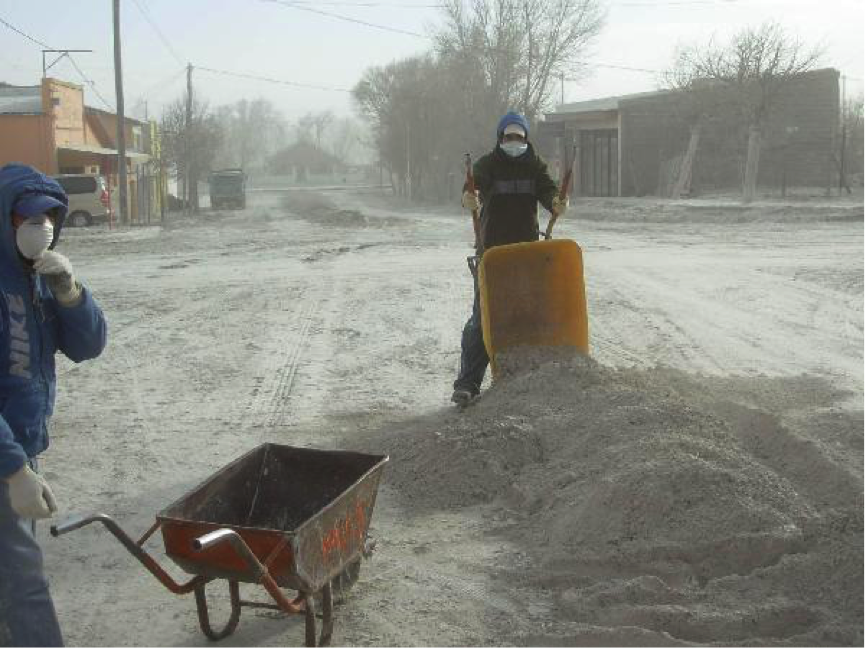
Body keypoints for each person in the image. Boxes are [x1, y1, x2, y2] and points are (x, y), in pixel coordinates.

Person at [0, 163, 108, 647]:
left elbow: (88, 346)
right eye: (27, 217)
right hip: (8, 459)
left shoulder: (39, 276)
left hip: (20, 453)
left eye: (49, 217)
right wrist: (14, 468)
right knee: (25, 582)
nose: (39, 227)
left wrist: (70, 292)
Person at [452, 112, 568, 406]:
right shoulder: (489, 164)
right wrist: (470, 195)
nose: (513, 142)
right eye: (508, 137)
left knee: (528, 317)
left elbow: (548, 190)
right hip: (491, 253)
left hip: (526, 254)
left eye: (518, 137)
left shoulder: (535, 166)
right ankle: (467, 385)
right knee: (482, 320)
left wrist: (556, 201)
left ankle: (529, 379)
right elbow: (473, 185)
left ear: (526, 139)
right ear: (500, 139)